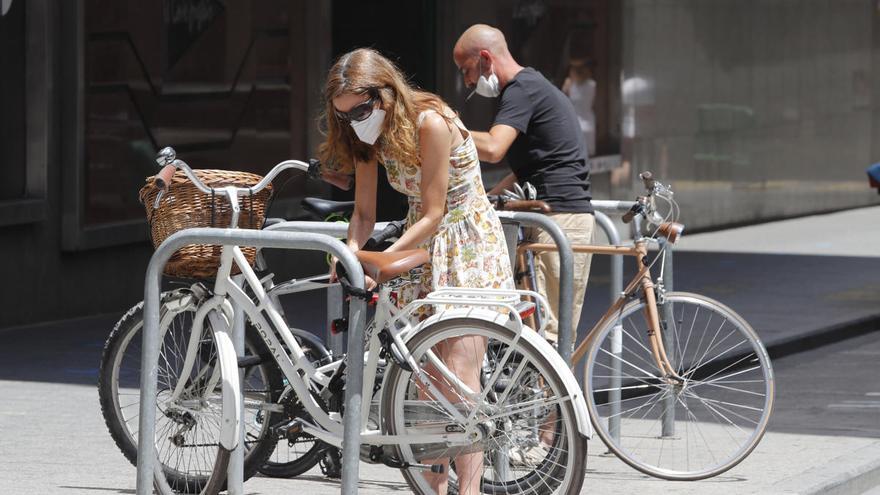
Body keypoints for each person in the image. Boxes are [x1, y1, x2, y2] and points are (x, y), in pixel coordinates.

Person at [318, 47, 513, 495]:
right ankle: (434, 490)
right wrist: (349, 252)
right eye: (344, 115)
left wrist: (383, 262)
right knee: (426, 381)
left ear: (386, 93)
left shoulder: (430, 120)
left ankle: (469, 490)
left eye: (362, 110)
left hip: (464, 242)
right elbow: (363, 214)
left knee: (460, 377)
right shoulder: (362, 133)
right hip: (421, 243)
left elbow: (435, 211)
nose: (354, 121)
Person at [453, 24, 595, 347]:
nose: (467, 82)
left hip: (560, 217)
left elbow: (492, 148)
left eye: (467, 70)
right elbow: (531, 167)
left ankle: (551, 399)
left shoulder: (521, 89)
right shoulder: (528, 87)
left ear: (486, 59)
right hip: (555, 215)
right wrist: (486, 197)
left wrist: (444, 130)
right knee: (534, 332)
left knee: (547, 336)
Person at [561, 56, 597, 157]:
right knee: (588, 156)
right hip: (588, 123)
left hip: (575, 124)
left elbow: (562, 102)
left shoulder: (570, 86)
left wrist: (566, 87)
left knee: (576, 155)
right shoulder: (592, 84)